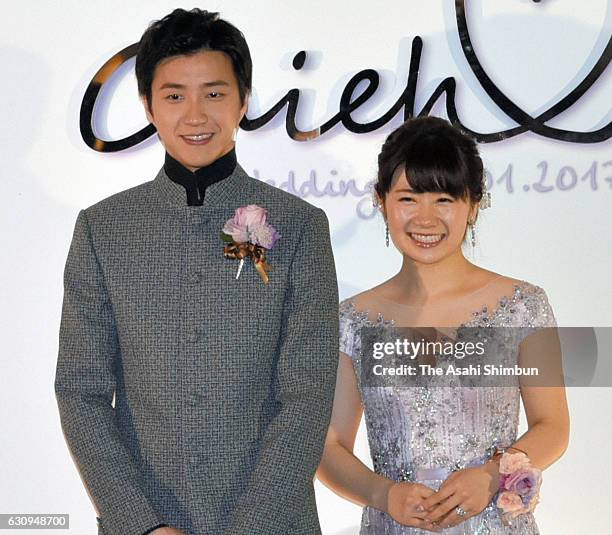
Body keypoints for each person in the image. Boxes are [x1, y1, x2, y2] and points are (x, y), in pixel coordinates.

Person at [55, 8, 338, 535]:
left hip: (273, 524)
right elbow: (81, 390)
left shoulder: (300, 226)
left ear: (243, 99)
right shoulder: (103, 228)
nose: (195, 116)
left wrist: (250, 526)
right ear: (148, 106)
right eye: (174, 96)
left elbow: (307, 392)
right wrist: (143, 524)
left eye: (213, 93)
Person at [316, 116, 569, 533]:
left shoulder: (523, 306)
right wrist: (383, 494)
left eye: (444, 200)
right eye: (409, 199)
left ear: (473, 204)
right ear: (381, 202)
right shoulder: (351, 320)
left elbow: (553, 426)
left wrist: (491, 477)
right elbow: (329, 447)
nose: (426, 219)